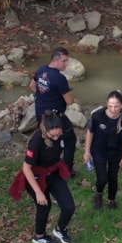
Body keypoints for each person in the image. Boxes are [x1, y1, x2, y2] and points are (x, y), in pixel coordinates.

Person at [9, 111, 75, 243]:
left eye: (58, 135)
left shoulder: (61, 134)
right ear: (45, 130)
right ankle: (39, 236)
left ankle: (60, 230)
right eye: (52, 136)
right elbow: (26, 168)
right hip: (36, 177)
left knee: (69, 206)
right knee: (44, 205)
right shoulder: (36, 142)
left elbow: (68, 143)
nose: (56, 138)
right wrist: (38, 192)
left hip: (53, 173)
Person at [30, 47, 77, 176]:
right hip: (55, 117)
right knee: (70, 140)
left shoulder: (41, 70)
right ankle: (66, 170)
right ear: (55, 60)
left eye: (67, 61)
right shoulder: (59, 78)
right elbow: (70, 101)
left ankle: (39, 167)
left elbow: (32, 86)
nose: (66, 64)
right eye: (64, 61)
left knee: (45, 139)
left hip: (41, 114)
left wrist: (43, 97)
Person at [83, 90, 122, 209]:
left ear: (121, 105)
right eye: (110, 106)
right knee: (102, 179)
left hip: (116, 151)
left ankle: (111, 200)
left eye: (116, 106)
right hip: (99, 150)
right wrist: (87, 152)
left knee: (113, 177)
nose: (113, 109)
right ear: (106, 104)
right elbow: (90, 132)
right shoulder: (98, 116)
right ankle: (99, 193)